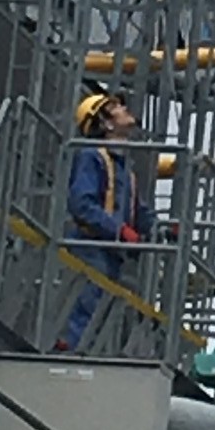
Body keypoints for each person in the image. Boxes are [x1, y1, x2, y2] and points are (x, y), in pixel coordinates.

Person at [60, 90, 154, 351]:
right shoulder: (92, 156)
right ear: (106, 123)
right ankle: (74, 360)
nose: (125, 108)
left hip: (110, 253)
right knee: (87, 312)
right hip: (90, 248)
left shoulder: (124, 168)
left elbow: (139, 211)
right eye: (116, 107)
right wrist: (119, 230)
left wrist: (162, 229)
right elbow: (82, 204)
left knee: (101, 316)